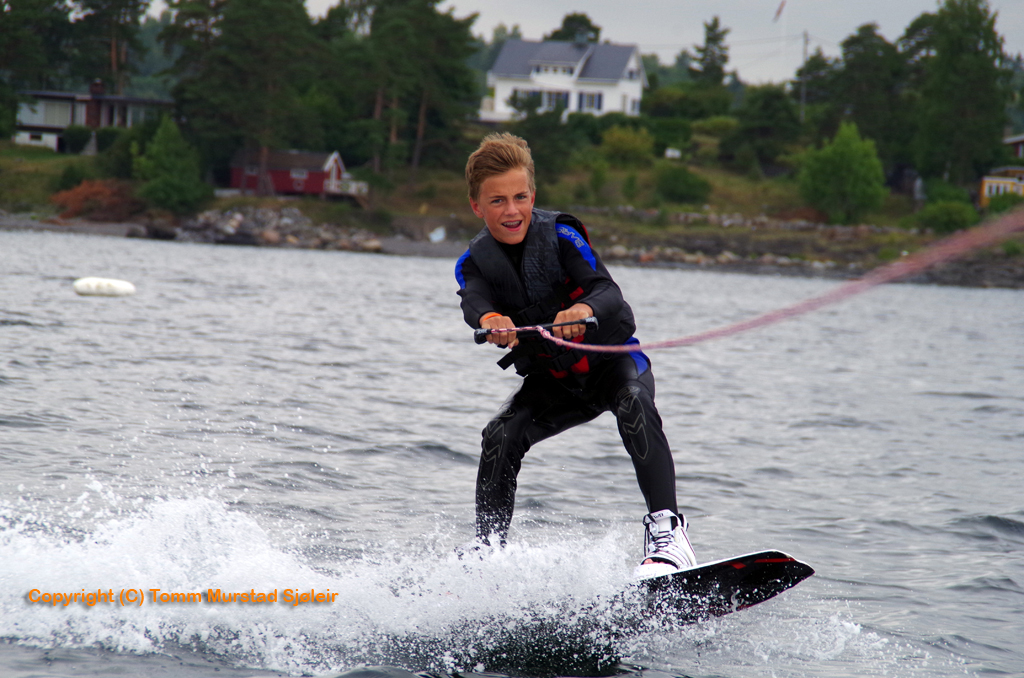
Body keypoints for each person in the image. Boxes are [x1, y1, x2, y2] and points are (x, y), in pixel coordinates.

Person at [454, 132, 697, 574]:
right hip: (554, 384)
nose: (511, 211)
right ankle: (487, 556)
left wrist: (582, 309)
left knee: (634, 402)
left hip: (611, 365)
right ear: (476, 206)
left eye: (520, 197)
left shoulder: (562, 237)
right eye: (497, 201)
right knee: (500, 436)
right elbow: (475, 303)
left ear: (533, 196)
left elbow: (607, 290)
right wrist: (491, 320)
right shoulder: (473, 263)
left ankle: (669, 536)